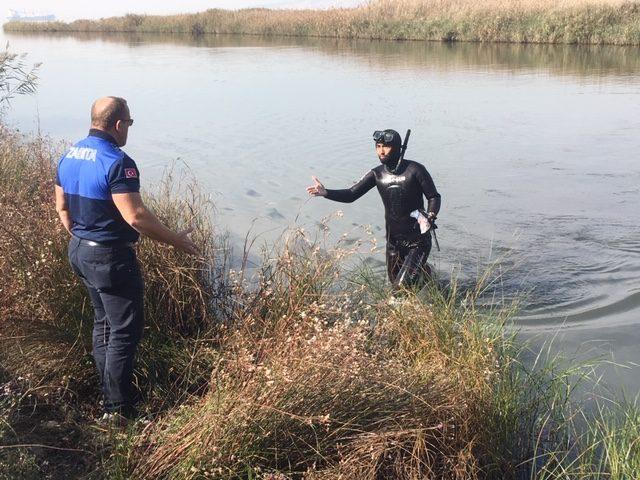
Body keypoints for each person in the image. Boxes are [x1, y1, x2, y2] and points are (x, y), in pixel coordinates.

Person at [54, 96, 198, 420]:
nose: (128, 130)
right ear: (119, 125)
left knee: (104, 325)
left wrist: (83, 240)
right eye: (129, 124)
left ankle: (111, 402)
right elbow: (135, 217)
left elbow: (62, 208)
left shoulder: (69, 154)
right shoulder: (119, 162)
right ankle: (119, 411)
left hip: (79, 250)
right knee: (123, 333)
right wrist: (177, 241)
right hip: (110, 258)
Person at [307, 129, 441, 291]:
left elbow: (434, 197)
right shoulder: (377, 174)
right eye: (378, 146)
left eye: (386, 147)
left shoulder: (415, 170)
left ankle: (425, 277)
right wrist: (326, 193)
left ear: (398, 148)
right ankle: (425, 274)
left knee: (400, 288)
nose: (381, 151)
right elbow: (351, 194)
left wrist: (431, 215)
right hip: (394, 243)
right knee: (395, 286)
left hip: (418, 241)